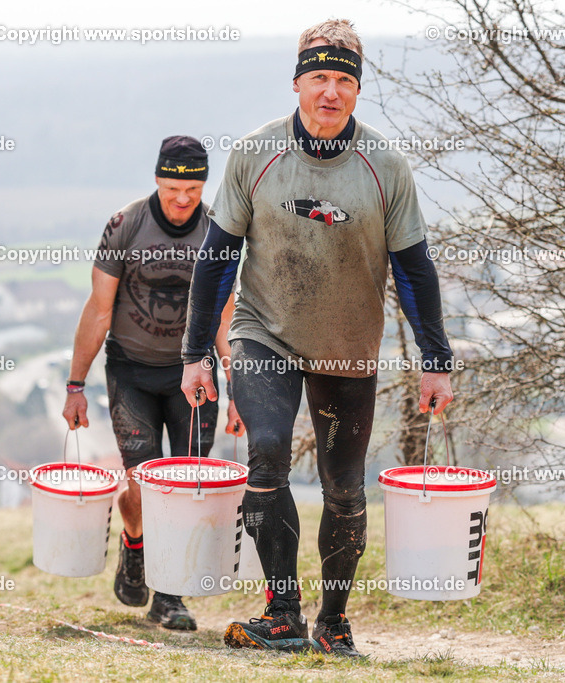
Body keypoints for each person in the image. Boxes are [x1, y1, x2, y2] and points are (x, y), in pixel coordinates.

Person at [180, 20, 455, 657]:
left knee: (345, 487)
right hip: (264, 334)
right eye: (319, 77)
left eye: (343, 81)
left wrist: (436, 360)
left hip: (347, 347)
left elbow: (414, 269)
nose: (330, 92)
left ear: (357, 89)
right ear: (297, 82)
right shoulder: (255, 154)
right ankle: (282, 613)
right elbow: (217, 260)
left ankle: (333, 622)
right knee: (268, 451)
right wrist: (196, 354)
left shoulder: (385, 166)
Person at [63, 135, 243, 631]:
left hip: (195, 375)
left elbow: (226, 319)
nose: (182, 199)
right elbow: (98, 311)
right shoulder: (125, 225)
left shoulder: (217, 230)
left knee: (184, 489)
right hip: (132, 371)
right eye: (172, 189)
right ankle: (135, 541)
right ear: (158, 181)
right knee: (143, 484)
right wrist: (75, 386)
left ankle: (169, 597)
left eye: (192, 190)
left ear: (203, 186)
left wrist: (238, 392)